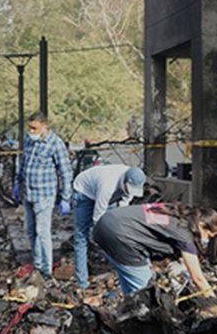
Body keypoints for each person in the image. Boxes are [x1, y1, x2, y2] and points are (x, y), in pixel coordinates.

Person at [91, 203, 217, 296]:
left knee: (131, 284)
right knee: (147, 294)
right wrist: (216, 306)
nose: (207, 240)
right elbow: (198, 278)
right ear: (202, 225)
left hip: (104, 224)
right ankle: (141, 330)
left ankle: (127, 318)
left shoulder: (174, 210)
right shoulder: (184, 233)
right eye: (209, 236)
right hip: (120, 236)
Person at [13, 112, 72, 279]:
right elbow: (24, 163)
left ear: (45, 127)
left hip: (44, 194)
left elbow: (65, 171)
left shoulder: (55, 143)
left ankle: (46, 270)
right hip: (29, 193)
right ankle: (37, 264)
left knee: (42, 231)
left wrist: (66, 196)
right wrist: (18, 183)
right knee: (30, 231)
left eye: (35, 128)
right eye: (30, 128)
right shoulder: (30, 141)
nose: (31, 131)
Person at [71, 164, 146, 289]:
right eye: (129, 189)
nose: (130, 192)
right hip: (84, 191)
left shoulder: (131, 182)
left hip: (107, 192)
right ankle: (82, 283)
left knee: (113, 233)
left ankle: (116, 272)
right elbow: (98, 217)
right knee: (81, 237)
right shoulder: (107, 186)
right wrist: (99, 236)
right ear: (125, 182)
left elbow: (122, 209)